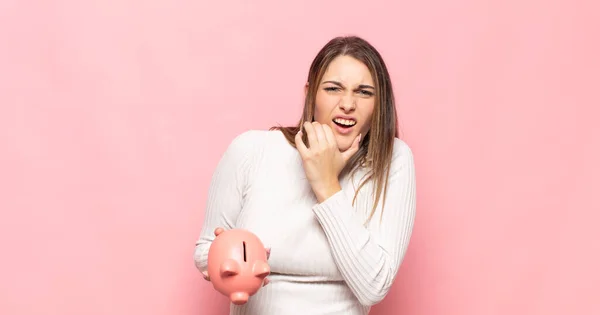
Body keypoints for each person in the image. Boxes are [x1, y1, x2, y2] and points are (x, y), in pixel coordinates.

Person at [193, 35, 417, 315]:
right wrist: (224, 257)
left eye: (364, 92)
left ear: (378, 103)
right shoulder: (252, 150)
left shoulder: (393, 159)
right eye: (333, 88)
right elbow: (205, 249)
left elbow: (374, 286)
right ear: (310, 94)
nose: (347, 104)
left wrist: (326, 184)